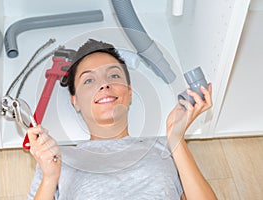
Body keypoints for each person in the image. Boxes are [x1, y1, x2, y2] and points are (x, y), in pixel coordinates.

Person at [27, 39, 217, 200]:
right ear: (75, 101)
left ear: (129, 92)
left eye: (114, 75)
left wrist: (176, 139)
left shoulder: (165, 148)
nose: (104, 84)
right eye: (89, 80)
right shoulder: (58, 159)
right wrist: (50, 177)